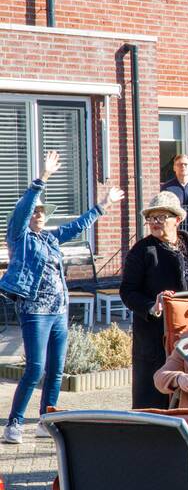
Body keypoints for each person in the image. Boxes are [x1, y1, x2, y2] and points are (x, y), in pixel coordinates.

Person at [0, 151, 124, 444]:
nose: (39, 215)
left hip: (58, 311)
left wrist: (103, 205)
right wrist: (43, 178)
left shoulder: (50, 238)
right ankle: (14, 423)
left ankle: (47, 420)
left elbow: (77, 226)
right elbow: (25, 207)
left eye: (43, 212)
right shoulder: (19, 237)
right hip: (35, 311)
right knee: (35, 368)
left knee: (56, 369)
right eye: (35, 212)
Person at [120, 191, 188, 410]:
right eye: (151, 218)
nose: (155, 223)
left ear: (178, 219)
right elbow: (127, 291)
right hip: (155, 334)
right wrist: (151, 306)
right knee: (155, 394)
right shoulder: (142, 251)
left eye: (161, 217)